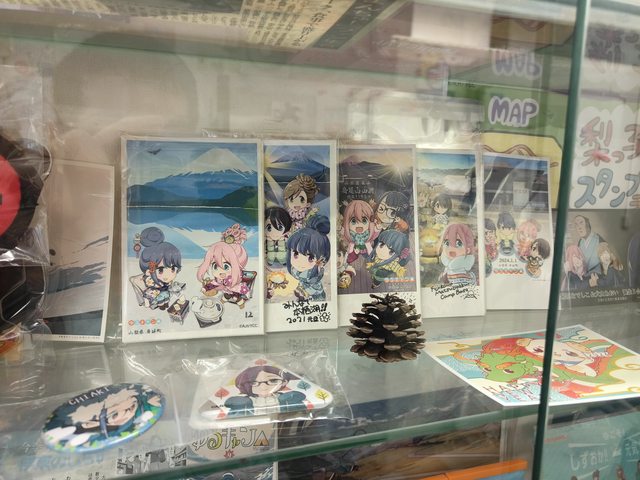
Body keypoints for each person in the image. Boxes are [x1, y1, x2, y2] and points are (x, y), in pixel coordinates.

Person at [197, 224, 250, 308]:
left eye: (226, 267)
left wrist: (244, 291)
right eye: (215, 266)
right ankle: (224, 300)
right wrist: (206, 288)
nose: (220, 271)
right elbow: (214, 284)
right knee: (226, 295)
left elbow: (240, 287)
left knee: (236, 298)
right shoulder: (219, 279)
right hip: (226, 290)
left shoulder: (234, 278)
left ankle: (241, 304)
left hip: (235, 290)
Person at [224, 365, 306, 417]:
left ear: (284, 382)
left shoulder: (290, 398)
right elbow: (232, 419)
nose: (263, 387)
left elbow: (301, 414)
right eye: (253, 382)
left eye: (273, 381)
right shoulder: (241, 403)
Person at [286, 214, 331, 301]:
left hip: (315, 295)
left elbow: (315, 277)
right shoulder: (294, 269)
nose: (300, 262)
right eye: (296, 254)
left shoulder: (315, 272)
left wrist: (318, 267)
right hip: (303, 290)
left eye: (310, 258)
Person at [136, 227, 182, 310]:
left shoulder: (166, 281)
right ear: (149, 271)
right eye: (160, 270)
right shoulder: (151, 280)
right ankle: (161, 305)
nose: (168, 275)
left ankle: (165, 304)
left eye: (173, 269)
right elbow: (149, 283)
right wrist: (157, 285)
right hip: (156, 293)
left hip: (164, 291)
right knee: (160, 300)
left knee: (165, 298)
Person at [341, 199, 377, 264]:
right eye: (353, 221)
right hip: (353, 258)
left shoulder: (370, 234)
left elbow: (372, 256)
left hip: (367, 256)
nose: (359, 226)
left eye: (364, 221)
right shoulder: (348, 236)